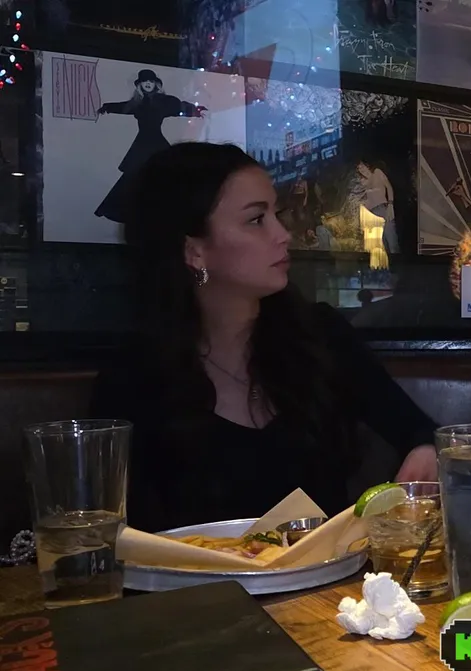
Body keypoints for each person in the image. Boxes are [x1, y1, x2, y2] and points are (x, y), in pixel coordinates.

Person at [90, 142, 441, 532]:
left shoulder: (319, 336)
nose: (283, 234)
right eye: (256, 220)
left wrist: (426, 450)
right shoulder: (134, 377)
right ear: (194, 251)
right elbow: (117, 533)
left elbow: (420, 430)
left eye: (277, 214)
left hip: (331, 571)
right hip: (192, 573)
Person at [95, 69, 208, 223]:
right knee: (133, 176)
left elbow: (179, 107)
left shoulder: (163, 102)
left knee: (164, 176)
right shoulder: (137, 103)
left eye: (150, 81)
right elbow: (122, 107)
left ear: (155, 84)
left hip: (156, 142)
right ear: (140, 85)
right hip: (142, 143)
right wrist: (107, 107)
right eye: (145, 81)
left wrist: (195, 110)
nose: (148, 84)